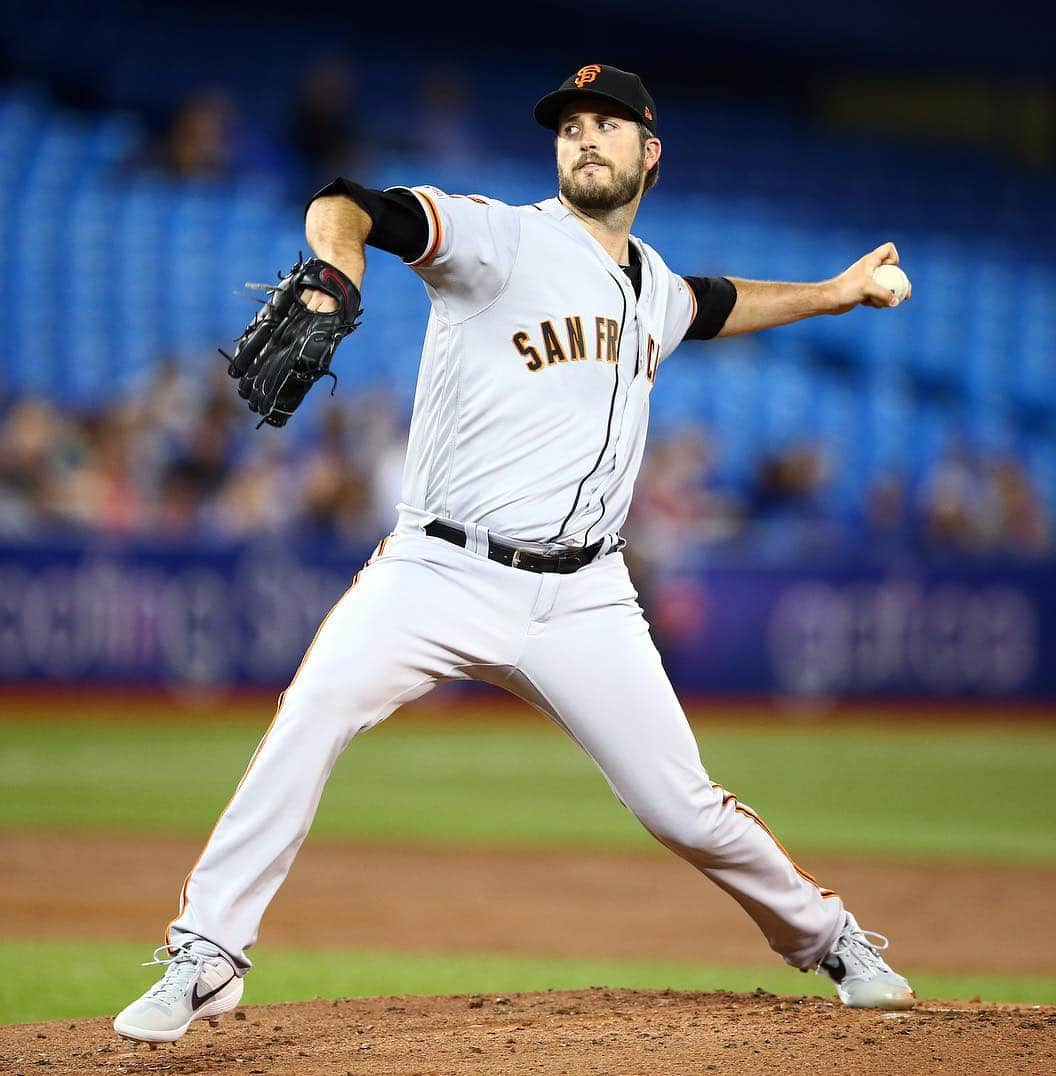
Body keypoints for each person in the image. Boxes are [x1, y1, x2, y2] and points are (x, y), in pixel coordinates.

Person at [113, 64, 914, 1046]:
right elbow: (350, 203)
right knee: (313, 711)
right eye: (571, 124)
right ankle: (207, 952)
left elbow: (713, 302)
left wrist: (835, 293)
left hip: (586, 594)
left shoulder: (651, 284)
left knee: (684, 808)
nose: (585, 136)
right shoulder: (502, 238)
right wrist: (333, 271)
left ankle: (833, 938)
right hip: (438, 570)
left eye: (609, 125)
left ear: (647, 154)